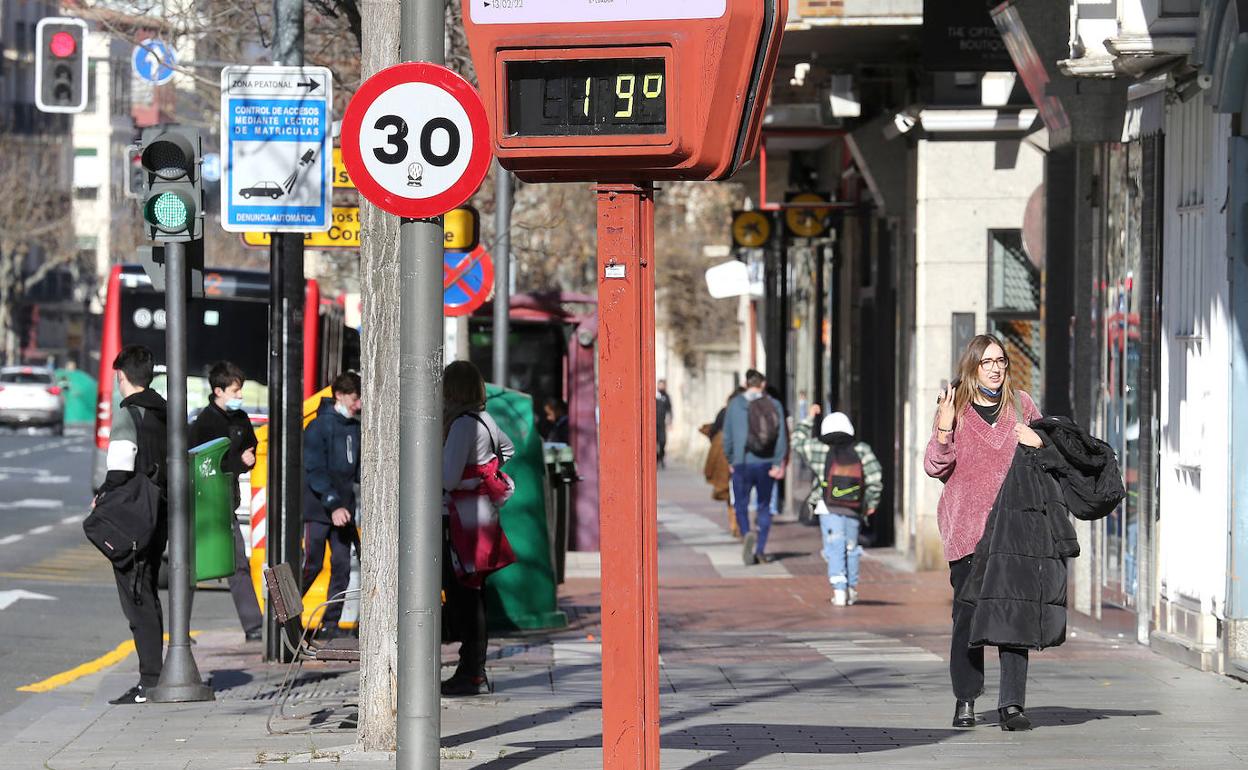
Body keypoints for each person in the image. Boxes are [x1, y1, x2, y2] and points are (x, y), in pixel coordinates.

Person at [925, 334, 1044, 732]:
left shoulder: (1021, 405)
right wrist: (943, 430)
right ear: (972, 366)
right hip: (967, 531)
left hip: (1015, 531)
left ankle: (1012, 704)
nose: (995, 368)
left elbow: (1048, 460)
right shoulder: (954, 406)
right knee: (968, 620)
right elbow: (934, 466)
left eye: (1001, 361)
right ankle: (965, 699)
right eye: (987, 362)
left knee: (1014, 619)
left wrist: (1039, 440)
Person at [97, 345, 168, 704]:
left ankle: (150, 681)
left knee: (136, 598)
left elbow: (121, 466)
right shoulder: (165, 411)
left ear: (122, 377)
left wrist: (103, 495)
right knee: (149, 593)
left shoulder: (130, 414)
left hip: (134, 519)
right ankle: (154, 676)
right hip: (160, 513)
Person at [442, 360, 515, 696]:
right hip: (482, 516)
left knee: (463, 595)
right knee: (474, 593)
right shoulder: (485, 420)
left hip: (460, 521)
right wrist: (485, 473)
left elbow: (447, 478)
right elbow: (508, 449)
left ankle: (470, 670)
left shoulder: (461, 426)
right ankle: (472, 668)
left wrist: (470, 478)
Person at [188, 361, 263, 642]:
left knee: (238, 562)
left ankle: (253, 625)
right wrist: (238, 460)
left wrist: (249, 459)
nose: (239, 396)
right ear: (218, 391)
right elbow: (201, 462)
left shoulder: (241, 419)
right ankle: (180, 630)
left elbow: (250, 447)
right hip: (203, 505)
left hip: (227, 502)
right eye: (235, 391)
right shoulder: (204, 423)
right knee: (189, 568)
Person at [792, 405, 883, 606]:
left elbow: (797, 440)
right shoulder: (861, 450)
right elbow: (875, 477)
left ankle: (839, 590)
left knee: (834, 547)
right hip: (853, 507)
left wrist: (808, 418)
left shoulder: (819, 448)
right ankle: (851, 588)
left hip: (827, 506)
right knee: (851, 547)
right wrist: (871, 502)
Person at [301, 371, 362, 640]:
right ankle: (284, 615)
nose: (358, 404)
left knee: (341, 566)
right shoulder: (318, 427)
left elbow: (358, 468)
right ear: (339, 395)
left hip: (344, 510)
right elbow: (315, 469)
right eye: (354, 398)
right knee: (311, 564)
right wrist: (333, 503)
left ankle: (331, 623)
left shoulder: (355, 428)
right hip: (320, 509)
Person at [721, 369, 786, 565]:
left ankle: (746, 532)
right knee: (764, 506)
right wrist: (777, 462)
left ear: (746, 383)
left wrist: (731, 459)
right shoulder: (774, 404)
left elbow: (727, 437)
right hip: (766, 463)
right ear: (763, 384)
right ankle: (760, 549)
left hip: (742, 462)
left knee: (740, 503)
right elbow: (782, 436)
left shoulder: (735, 405)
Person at [700, 389, 739, 536]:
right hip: (738, 456)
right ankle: (737, 522)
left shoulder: (724, 412)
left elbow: (714, 430)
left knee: (729, 492)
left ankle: (733, 523)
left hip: (723, 455)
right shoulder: (741, 413)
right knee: (736, 491)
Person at [656, 379, 673, 468]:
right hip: (654, 424)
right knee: (655, 442)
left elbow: (669, 410)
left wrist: (670, 422)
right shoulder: (655, 396)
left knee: (662, 442)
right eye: (660, 385)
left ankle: (662, 457)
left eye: (663, 385)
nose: (661, 387)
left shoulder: (666, 397)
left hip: (662, 423)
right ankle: (657, 459)